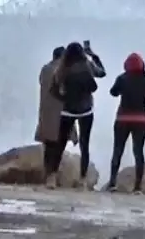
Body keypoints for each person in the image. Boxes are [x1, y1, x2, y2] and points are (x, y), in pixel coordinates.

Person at [46, 41, 104, 189]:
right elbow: (102, 73)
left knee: (60, 144)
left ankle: (52, 177)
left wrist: (64, 99)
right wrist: (94, 55)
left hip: (67, 110)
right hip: (86, 111)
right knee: (85, 145)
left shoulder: (61, 69)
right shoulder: (88, 66)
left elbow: (53, 90)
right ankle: (83, 179)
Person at [104, 52, 145, 194]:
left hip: (123, 119)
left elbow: (113, 92)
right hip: (141, 120)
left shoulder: (122, 78)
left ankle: (112, 183)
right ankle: (138, 187)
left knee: (117, 150)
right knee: (138, 152)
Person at [35, 46, 71, 185]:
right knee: (58, 144)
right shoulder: (63, 71)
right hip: (61, 111)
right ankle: (52, 176)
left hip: (45, 110)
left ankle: (47, 173)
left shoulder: (45, 69)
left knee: (48, 144)